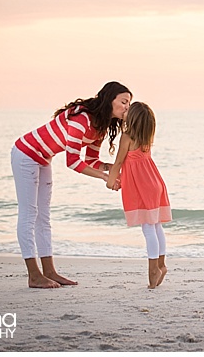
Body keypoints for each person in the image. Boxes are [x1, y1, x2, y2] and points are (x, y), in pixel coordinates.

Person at [11, 81, 131, 289]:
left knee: (44, 216)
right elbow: (73, 161)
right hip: (25, 154)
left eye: (129, 103)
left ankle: (50, 272)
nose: (127, 107)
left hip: (43, 159)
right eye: (124, 102)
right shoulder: (82, 119)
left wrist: (109, 167)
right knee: (29, 213)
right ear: (109, 99)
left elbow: (91, 160)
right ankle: (34, 275)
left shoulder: (100, 128)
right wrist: (104, 177)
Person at [106, 101, 172, 289]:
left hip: (142, 186)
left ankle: (153, 269)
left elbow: (118, 162)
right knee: (156, 225)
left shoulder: (127, 137)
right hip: (155, 182)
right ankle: (161, 264)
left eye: (128, 111)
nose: (124, 112)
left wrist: (111, 181)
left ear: (133, 118)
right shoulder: (146, 137)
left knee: (148, 228)